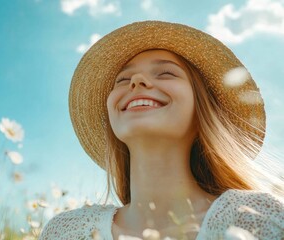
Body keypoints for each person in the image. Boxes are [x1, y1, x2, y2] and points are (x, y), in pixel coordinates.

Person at [39, 21, 284, 240]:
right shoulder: (64, 232)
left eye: (166, 73)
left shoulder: (263, 219)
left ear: (202, 111)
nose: (136, 81)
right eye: (122, 80)